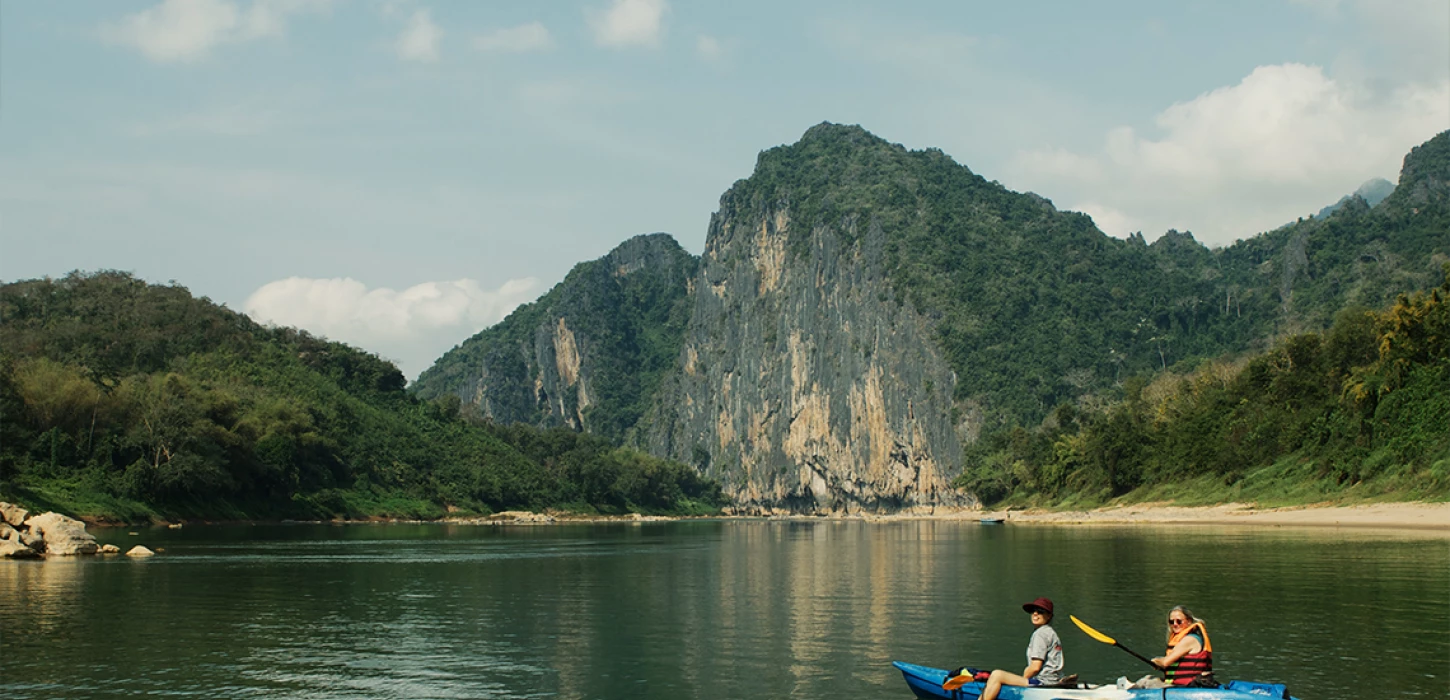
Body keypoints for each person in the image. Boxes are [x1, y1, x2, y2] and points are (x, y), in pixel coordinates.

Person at [977, 597, 1064, 700]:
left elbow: (1035, 667)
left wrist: (1022, 679)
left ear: (1049, 616)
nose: (1035, 614)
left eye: (1040, 611)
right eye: (1033, 611)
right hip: (1055, 681)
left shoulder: (1040, 634)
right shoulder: (1051, 633)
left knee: (997, 675)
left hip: (1043, 683)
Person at [1151, 605, 1214, 686]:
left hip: (1191, 686)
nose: (1175, 624)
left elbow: (1166, 662)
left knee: (1147, 682)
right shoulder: (1182, 639)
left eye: (1179, 621)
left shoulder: (1190, 639)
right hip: (1182, 685)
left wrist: (1156, 661)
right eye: (1171, 622)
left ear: (1189, 621)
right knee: (1148, 679)